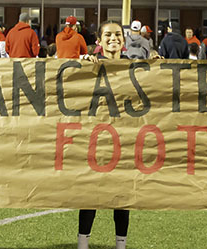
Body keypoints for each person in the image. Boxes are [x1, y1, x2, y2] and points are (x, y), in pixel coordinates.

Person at [76, 21, 130, 249]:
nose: (113, 38)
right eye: (108, 35)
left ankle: (121, 244)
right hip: (95, 137)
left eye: (118, 34)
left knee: (123, 195)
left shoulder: (135, 66)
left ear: (124, 41)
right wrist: (83, 63)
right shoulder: (90, 64)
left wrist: (157, 66)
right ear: (99, 40)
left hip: (126, 137)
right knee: (91, 192)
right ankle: (83, 242)